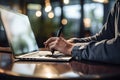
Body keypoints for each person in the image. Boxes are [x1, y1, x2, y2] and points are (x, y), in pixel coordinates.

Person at [44, 0, 120, 64]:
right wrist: (71, 42)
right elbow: (101, 37)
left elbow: (117, 49)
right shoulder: (117, 4)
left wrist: (70, 47)